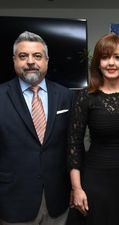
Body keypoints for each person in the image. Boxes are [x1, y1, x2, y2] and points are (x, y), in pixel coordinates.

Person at [66, 33, 119, 225]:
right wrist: (76, 188)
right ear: (98, 63)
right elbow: (74, 145)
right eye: (105, 57)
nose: (111, 63)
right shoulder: (85, 96)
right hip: (96, 180)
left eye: (117, 57)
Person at [0, 31, 72, 225]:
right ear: (14, 60)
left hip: (58, 201)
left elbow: (72, 145)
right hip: (12, 202)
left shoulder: (65, 96)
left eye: (37, 56)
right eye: (23, 56)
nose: (31, 61)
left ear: (47, 61)